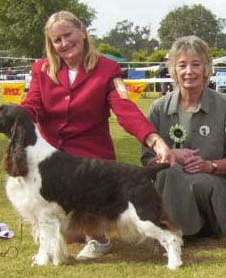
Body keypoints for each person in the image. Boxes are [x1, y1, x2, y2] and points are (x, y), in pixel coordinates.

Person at [21, 10, 174, 261]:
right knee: (61, 229)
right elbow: (32, 105)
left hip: (90, 156)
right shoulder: (41, 69)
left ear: (82, 31)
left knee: (80, 221)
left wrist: (153, 139)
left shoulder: (108, 69)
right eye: (56, 40)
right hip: (52, 157)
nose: (63, 44)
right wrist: (15, 116)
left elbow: (125, 109)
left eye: (67, 35)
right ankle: (67, 231)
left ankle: (99, 239)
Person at [141, 35, 226, 239]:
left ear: (206, 69)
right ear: (174, 70)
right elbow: (147, 162)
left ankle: (182, 232)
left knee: (197, 182)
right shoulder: (158, 108)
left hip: (214, 185)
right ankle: (175, 233)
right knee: (166, 173)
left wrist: (211, 166)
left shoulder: (224, 105)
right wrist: (170, 155)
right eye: (182, 65)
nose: (189, 72)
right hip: (171, 185)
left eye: (196, 64)